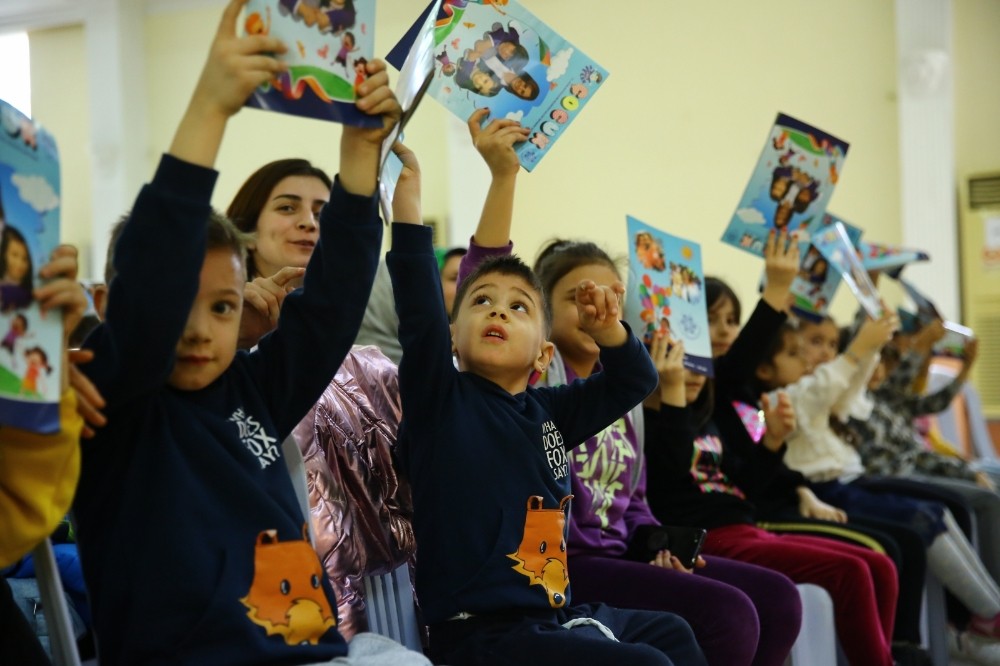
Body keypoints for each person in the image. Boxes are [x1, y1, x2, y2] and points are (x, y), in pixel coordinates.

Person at [73, 2, 423, 664]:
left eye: (223, 308)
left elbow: (331, 306)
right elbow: (151, 292)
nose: (198, 332)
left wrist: (358, 156)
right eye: (182, 305)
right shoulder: (114, 399)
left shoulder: (250, 389)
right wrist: (210, 108)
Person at [454, 109, 800, 666]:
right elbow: (485, 278)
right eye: (576, 297)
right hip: (565, 564)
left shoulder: (620, 395)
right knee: (727, 616)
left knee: (776, 598)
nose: (595, 306)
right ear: (540, 321)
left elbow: (637, 504)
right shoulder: (536, 384)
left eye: (609, 296)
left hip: (623, 555)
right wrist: (503, 179)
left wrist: (658, 545)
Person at [386, 140, 706, 665]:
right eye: (482, 301)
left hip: (549, 616)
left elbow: (635, 381)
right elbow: (418, 308)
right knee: (646, 663)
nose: (499, 311)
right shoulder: (440, 399)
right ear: (451, 338)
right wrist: (408, 204)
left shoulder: (551, 410)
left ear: (544, 352)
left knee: (672, 634)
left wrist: (609, 331)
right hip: (479, 634)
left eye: (519, 307)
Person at [226, 154, 415, 638]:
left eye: (321, 211)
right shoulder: (221, 360)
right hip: (281, 603)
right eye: (288, 208)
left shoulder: (371, 367)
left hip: (392, 602)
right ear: (245, 232)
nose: (308, 222)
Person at [706, 274, 931, 658]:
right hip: (755, 516)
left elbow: (761, 464)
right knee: (882, 552)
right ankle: (899, 647)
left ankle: (903, 645)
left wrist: (798, 487)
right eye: (714, 319)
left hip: (780, 501)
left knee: (912, 532)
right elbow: (748, 475)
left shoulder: (742, 396)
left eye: (731, 320)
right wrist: (858, 348)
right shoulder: (737, 392)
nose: (725, 330)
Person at [755, 315, 1000, 661]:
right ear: (764, 370)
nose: (810, 359)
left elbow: (849, 391)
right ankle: (968, 622)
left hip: (846, 482)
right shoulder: (786, 397)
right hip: (827, 488)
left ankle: (988, 612)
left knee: (936, 512)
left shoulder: (811, 391)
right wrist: (861, 349)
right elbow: (825, 387)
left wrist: (869, 351)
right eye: (798, 352)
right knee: (915, 525)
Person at [643, 344, 900, 666]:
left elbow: (746, 485)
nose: (694, 373)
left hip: (747, 527)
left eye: (698, 362)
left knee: (880, 564)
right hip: (712, 537)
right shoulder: (648, 423)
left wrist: (772, 442)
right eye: (679, 362)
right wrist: (673, 396)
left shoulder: (703, 419)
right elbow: (671, 469)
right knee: (850, 571)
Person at [0, 224, 33, 311]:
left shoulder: (23, 294)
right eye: (14, 255)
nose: (20, 263)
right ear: (3, 254)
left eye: (25, 259)